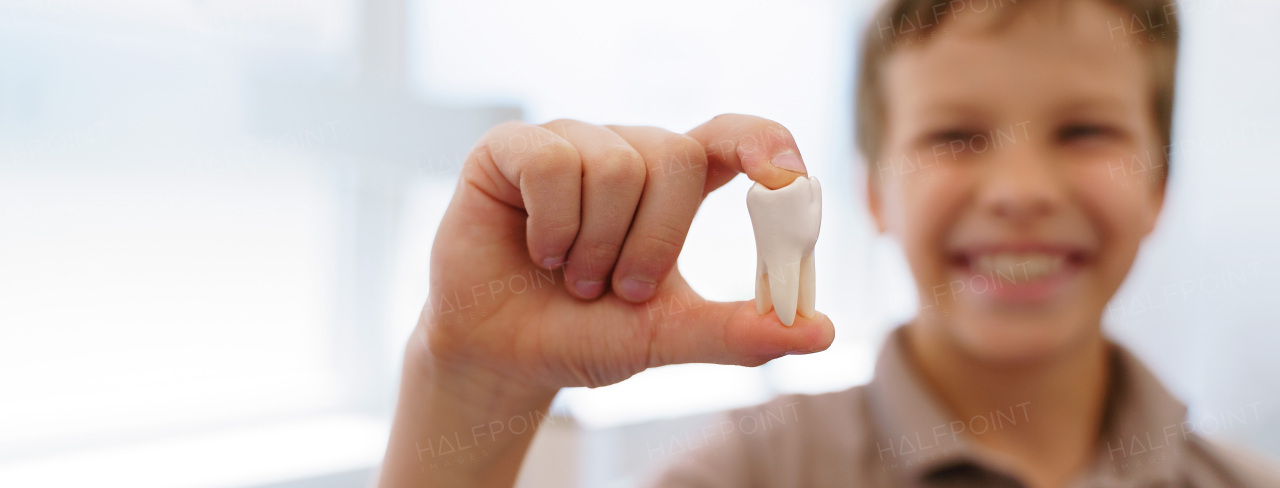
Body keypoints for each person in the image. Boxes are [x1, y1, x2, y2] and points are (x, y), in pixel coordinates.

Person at [376, 0, 1280, 486]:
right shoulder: (758, 470)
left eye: (1084, 132)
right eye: (956, 136)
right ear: (874, 192)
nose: (1020, 193)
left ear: (1160, 184)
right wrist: (469, 392)